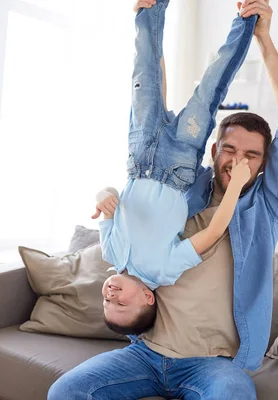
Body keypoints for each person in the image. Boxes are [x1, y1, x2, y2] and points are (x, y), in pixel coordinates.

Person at [48, 0, 278, 398]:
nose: (237, 160)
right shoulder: (185, 188)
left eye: (252, 154)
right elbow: (155, 118)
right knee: (66, 392)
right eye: (229, 149)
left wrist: (263, 39)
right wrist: (147, 19)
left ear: (263, 165)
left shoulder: (267, 207)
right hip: (145, 353)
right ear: (213, 150)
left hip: (212, 364)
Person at [90, 0, 257, 336]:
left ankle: (148, 9)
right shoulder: (165, 270)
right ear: (148, 298)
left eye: (106, 302)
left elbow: (110, 198)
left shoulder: (110, 249)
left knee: (144, 72)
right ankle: (247, 16)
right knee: (211, 85)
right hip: (178, 165)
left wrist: (103, 195)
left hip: (139, 155)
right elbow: (212, 233)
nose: (110, 297)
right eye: (121, 304)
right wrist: (237, 185)